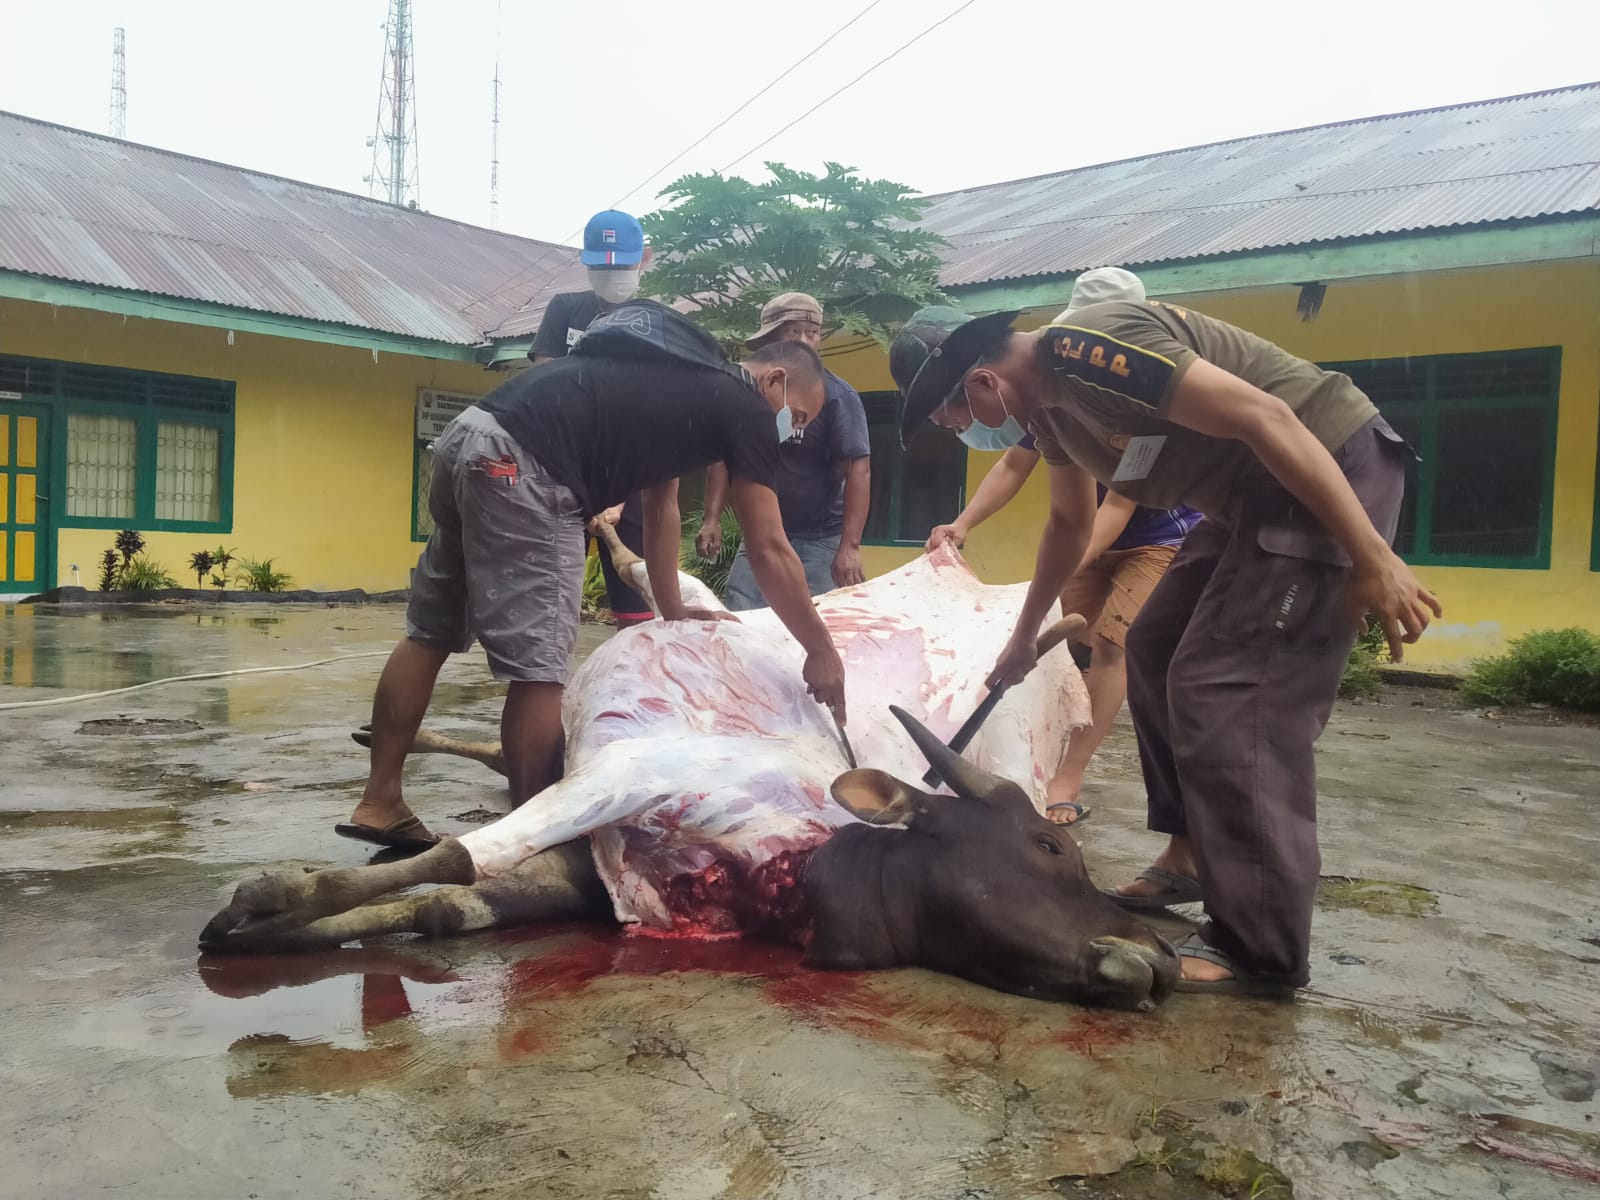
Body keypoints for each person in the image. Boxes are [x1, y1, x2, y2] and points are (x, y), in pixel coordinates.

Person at [891, 290, 1440, 996]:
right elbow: (1066, 525)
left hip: (1323, 469)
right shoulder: (1049, 408)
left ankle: (1259, 947)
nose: (959, 428)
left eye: (952, 415)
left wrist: (1370, 555)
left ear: (982, 380)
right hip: (1250, 499)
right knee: (1152, 643)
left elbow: (1266, 415)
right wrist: (1023, 636)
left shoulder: (1090, 344)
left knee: (1229, 694)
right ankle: (1190, 855)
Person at [341, 307, 847, 854]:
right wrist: (819, 649)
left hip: (471, 435)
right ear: (774, 377)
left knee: (430, 633)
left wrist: (672, 613)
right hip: (528, 467)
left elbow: (661, 509)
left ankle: (381, 801)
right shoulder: (746, 404)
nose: (789, 431)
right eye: (795, 416)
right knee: (541, 669)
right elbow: (769, 548)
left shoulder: (683, 380)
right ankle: (535, 838)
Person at [925, 269, 1201, 826]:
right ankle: (1031, 759)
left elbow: (1114, 510)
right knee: (1049, 650)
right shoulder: (1050, 393)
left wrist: (1045, 585)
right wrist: (963, 523)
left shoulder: (1145, 399)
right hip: (1090, 533)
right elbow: (1012, 465)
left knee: (1115, 646)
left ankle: (1067, 776)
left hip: (1161, 538)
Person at [697, 293, 871, 608]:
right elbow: (724, 458)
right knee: (742, 613)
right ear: (769, 338)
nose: (805, 341)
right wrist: (712, 517)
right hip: (761, 528)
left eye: (813, 332)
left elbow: (858, 470)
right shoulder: (746, 393)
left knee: (812, 618)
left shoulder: (837, 396)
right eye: (793, 331)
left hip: (819, 537)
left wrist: (850, 546)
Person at [531, 208, 656, 627]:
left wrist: (617, 493)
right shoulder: (565, 310)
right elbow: (544, 398)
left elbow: (653, 418)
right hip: (561, 478)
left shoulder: (656, 324)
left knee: (637, 611)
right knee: (548, 610)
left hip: (631, 482)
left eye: (621, 265)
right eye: (601, 266)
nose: (611, 274)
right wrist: (575, 481)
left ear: (645, 258)